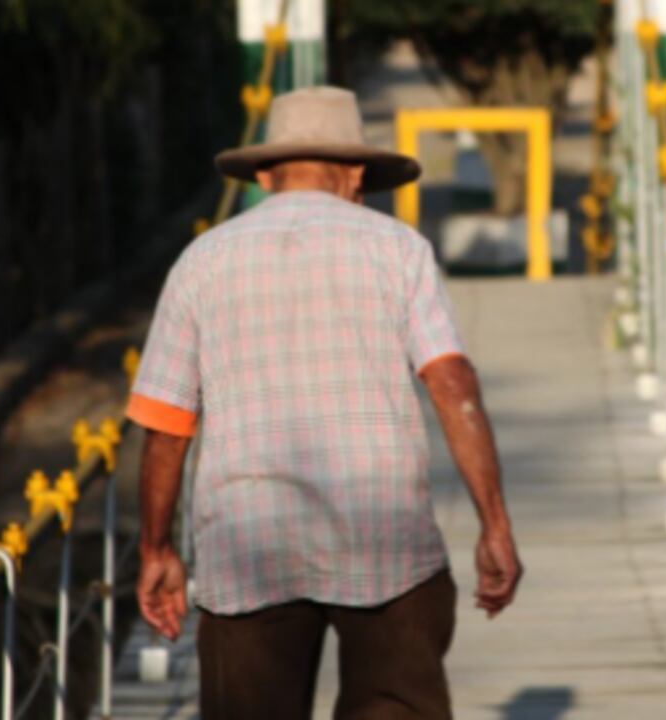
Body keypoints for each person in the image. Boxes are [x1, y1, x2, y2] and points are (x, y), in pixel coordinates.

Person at [125, 86, 521, 719]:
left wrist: (156, 550)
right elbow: (453, 386)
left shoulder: (201, 261)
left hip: (247, 543)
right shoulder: (399, 250)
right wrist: (493, 525)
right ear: (357, 173)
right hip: (385, 539)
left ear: (263, 175)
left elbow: (166, 425)